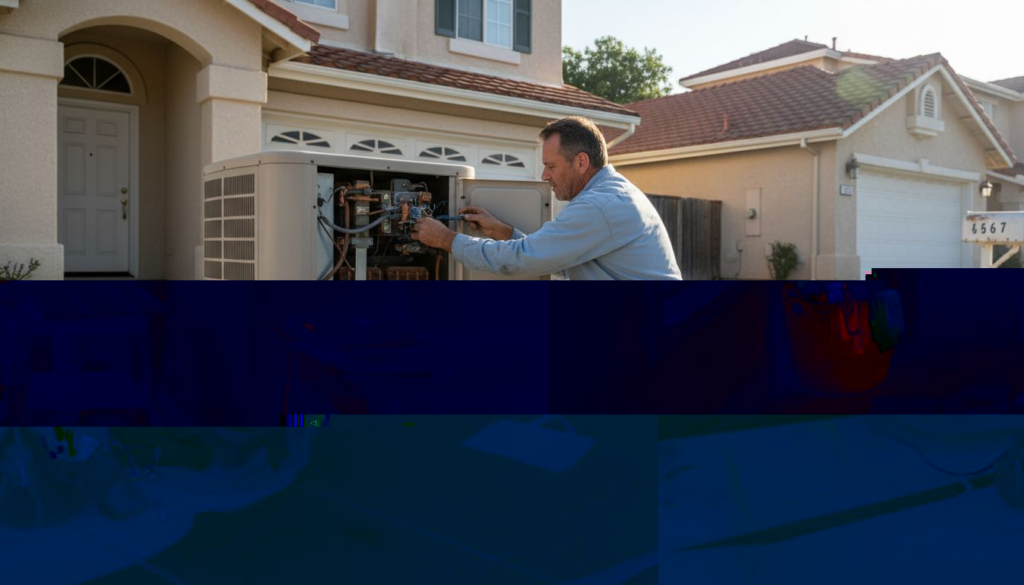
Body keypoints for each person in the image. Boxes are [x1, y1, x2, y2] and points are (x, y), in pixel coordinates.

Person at [411, 116, 682, 280]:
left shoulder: (599, 206)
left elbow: (521, 260)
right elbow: (560, 261)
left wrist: (446, 239)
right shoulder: (614, 195)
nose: (544, 175)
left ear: (581, 162)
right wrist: (504, 233)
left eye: (551, 166)